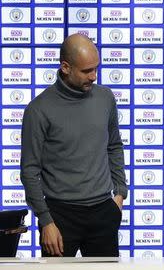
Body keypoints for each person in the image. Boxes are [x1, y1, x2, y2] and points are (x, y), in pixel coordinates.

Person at [20, 33, 127, 257]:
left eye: (96, 69)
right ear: (66, 67)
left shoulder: (106, 98)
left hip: (103, 212)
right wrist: (46, 220)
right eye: (87, 71)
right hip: (60, 216)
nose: (94, 76)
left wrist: (119, 194)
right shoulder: (38, 109)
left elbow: (114, 146)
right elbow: (29, 171)